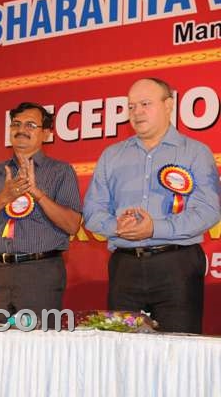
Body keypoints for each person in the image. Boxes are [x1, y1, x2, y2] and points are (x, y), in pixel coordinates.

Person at [83, 78, 221, 334]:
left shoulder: (195, 152)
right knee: (121, 346)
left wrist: (154, 228)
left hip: (177, 265)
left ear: (168, 105)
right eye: (131, 106)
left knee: (179, 347)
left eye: (145, 104)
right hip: (124, 266)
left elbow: (209, 210)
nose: (137, 112)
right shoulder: (111, 155)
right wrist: (118, 226)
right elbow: (92, 212)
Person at [0, 102, 81, 322]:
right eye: (16, 124)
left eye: (30, 125)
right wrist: (3, 198)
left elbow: (72, 225)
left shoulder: (60, 171)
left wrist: (37, 193)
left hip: (41, 273)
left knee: (38, 340)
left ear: (46, 133)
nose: (21, 130)